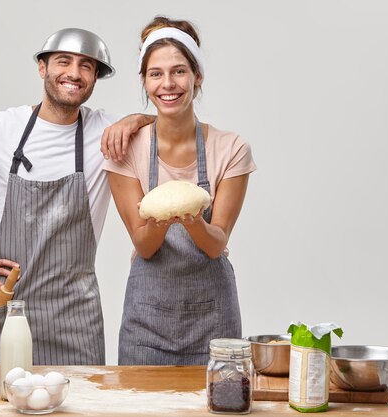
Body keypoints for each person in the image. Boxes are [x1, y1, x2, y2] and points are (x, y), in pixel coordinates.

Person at [0, 28, 153, 366]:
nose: (74, 73)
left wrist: (136, 119)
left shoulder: (106, 132)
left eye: (86, 66)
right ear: (42, 68)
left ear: (95, 78)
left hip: (76, 320)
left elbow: (181, 125)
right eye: (63, 62)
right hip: (8, 309)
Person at [103, 17, 257, 365]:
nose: (167, 83)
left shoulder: (231, 148)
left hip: (214, 322)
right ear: (143, 80)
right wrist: (163, 217)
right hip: (146, 327)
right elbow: (144, 245)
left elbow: (216, 245)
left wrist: (191, 220)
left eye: (179, 71)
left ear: (197, 76)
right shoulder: (125, 150)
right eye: (155, 74)